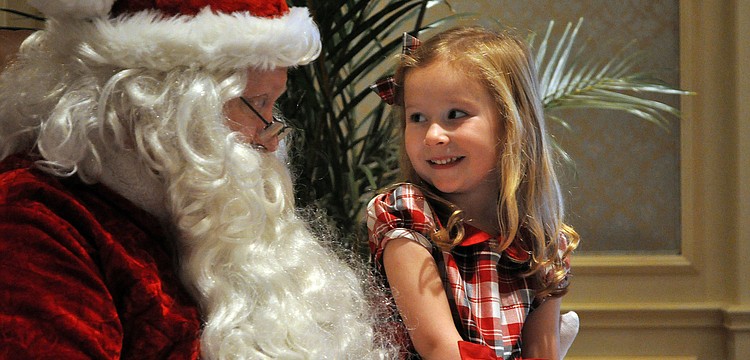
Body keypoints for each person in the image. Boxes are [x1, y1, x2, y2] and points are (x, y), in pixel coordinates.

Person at [0, 0, 393, 358]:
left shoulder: (182, 207)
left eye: (275, 105)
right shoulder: (34, 224)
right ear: (162, 105)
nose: (271, 142)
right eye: (257, 104)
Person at [367, 27, 580, 360]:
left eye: (455, 115)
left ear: (511, 123)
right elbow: (439, 346)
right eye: (417, 117)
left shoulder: (542, 240)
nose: (433, 135)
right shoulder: (407, 213)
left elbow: (543, 352)